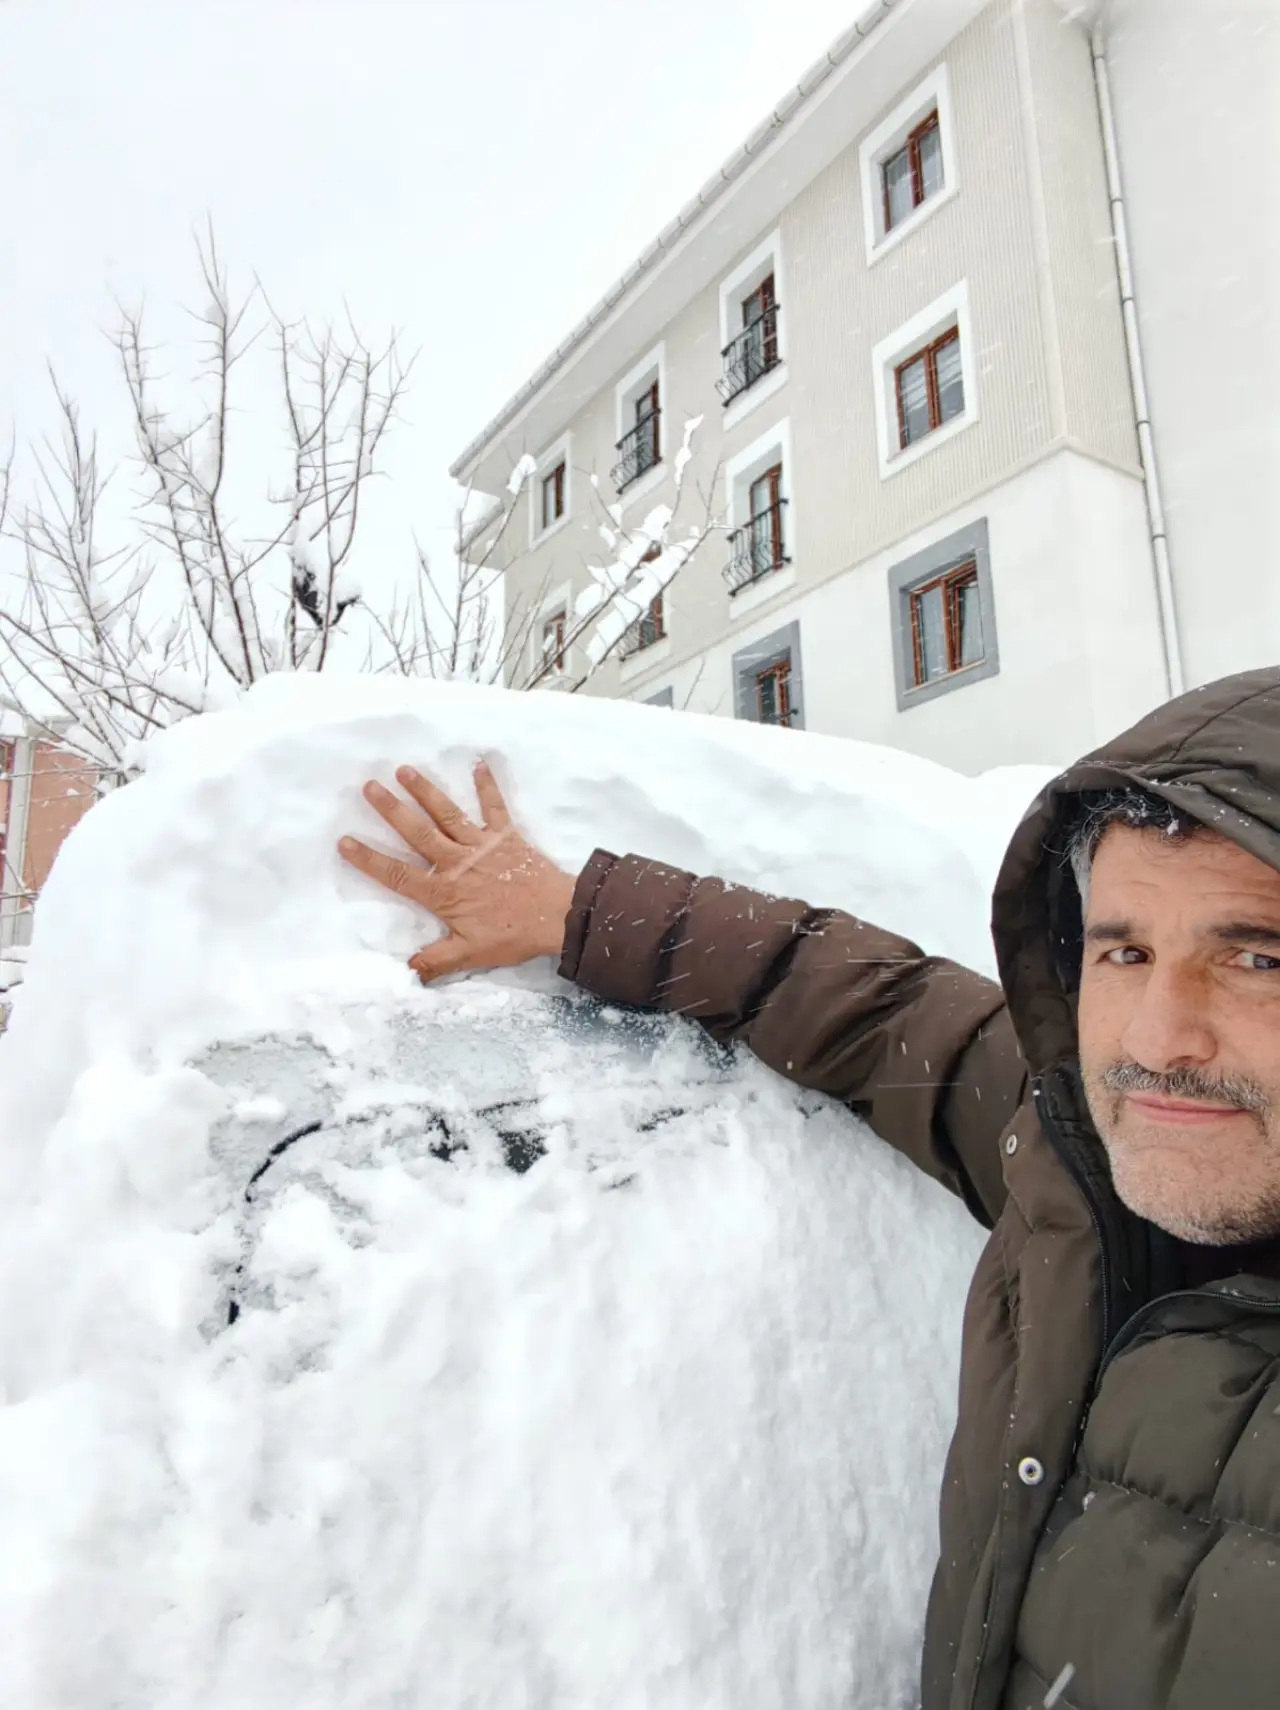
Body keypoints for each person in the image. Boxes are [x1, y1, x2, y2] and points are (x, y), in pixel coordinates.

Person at [338, 667, 1280, 1710]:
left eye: (1255, 957)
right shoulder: (1076, 1152)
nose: (1155, 1039)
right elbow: (880, 1010)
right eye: (1125, 951)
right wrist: (576, 912)